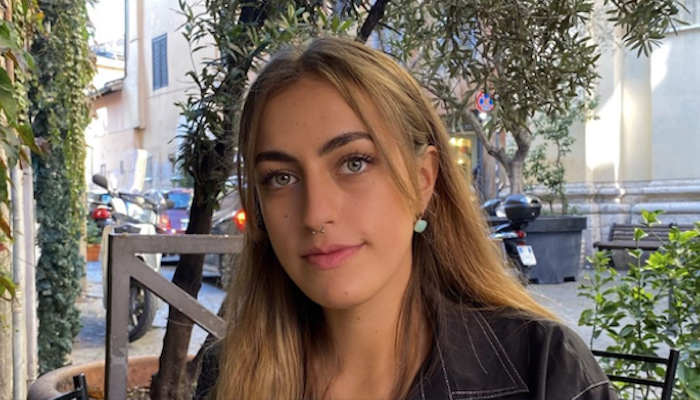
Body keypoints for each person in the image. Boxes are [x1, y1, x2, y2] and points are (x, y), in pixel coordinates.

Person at [194, 37, 617, 400]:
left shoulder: (542, 370)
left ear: (422, 180)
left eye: (354, 163)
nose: (316, 214)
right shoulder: (228, 374)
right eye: (280, 177)